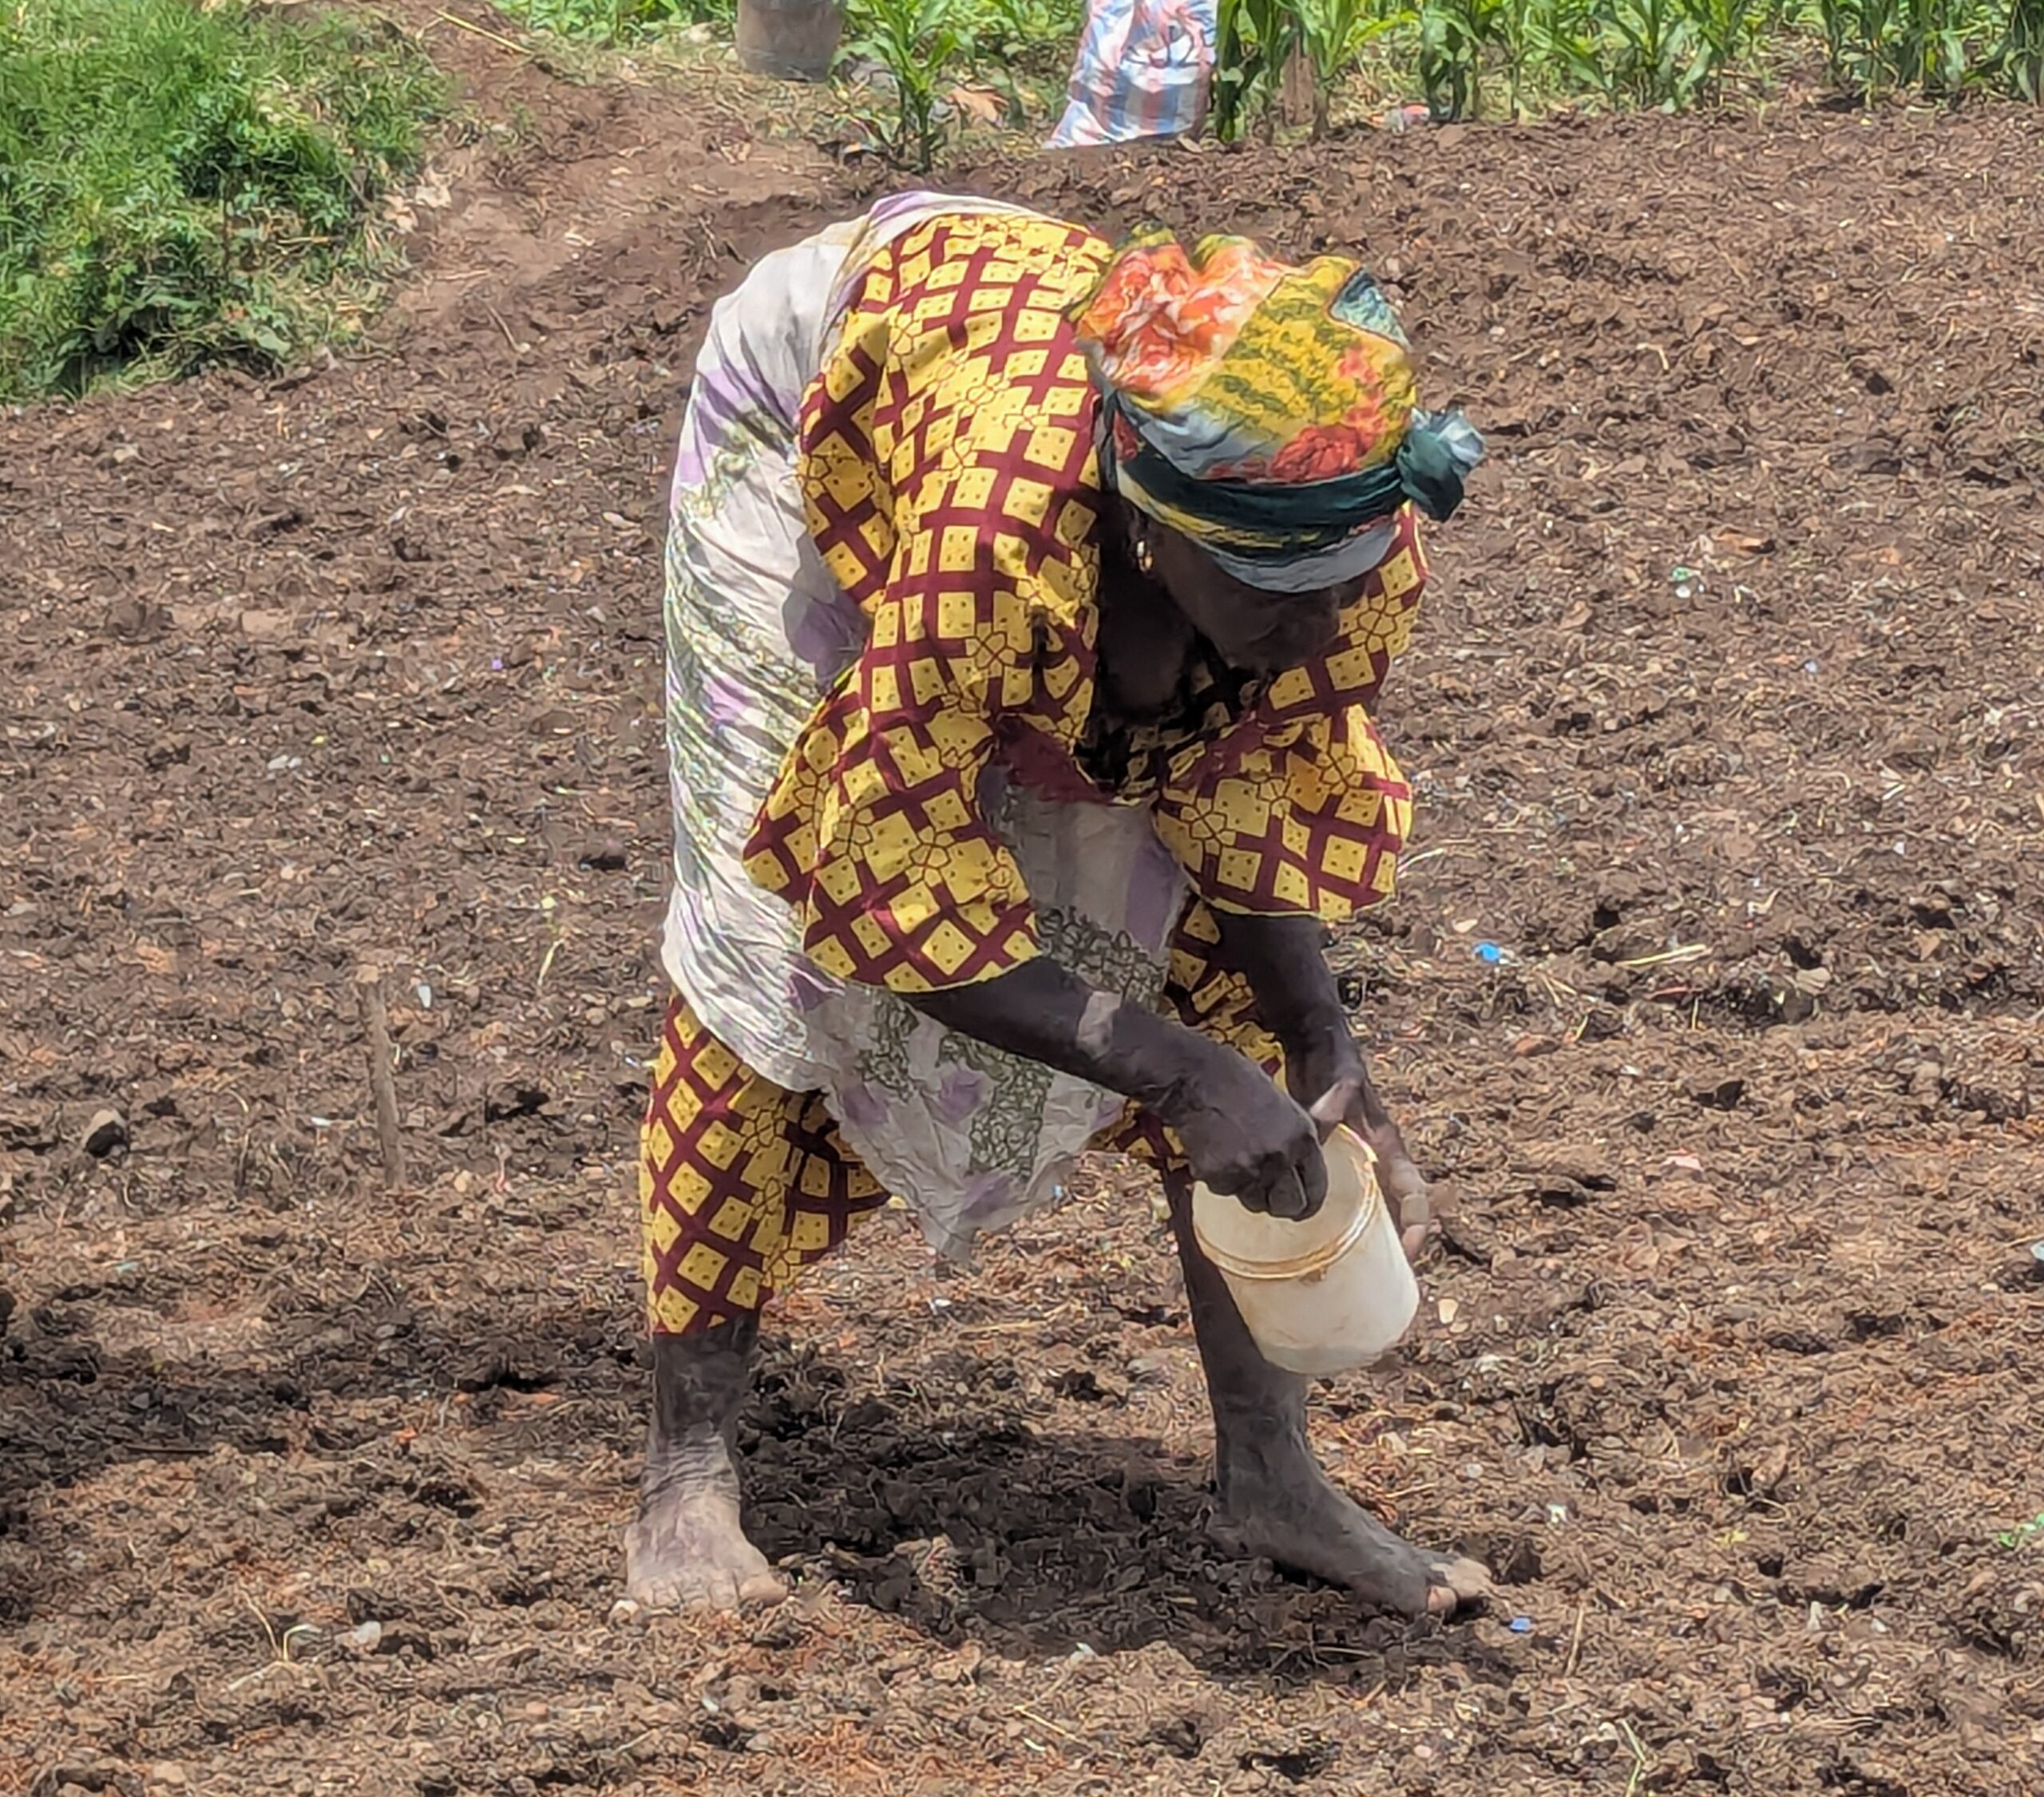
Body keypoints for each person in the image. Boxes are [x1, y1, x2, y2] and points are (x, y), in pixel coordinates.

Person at [631, 193, 1490, 1619]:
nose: (1325, 629)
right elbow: (872, 865)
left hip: (1073, 478)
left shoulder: (1333, 517)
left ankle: (1271, 1473)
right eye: (1280, 595)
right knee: (769, 963)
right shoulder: (995, 543)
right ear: (1159, 537)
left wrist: (1318, 1042)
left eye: (1343, 586)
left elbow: (1266, 786)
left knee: (1221, 983)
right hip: (817, 417)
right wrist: (1176, 1068)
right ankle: (687, 1465)